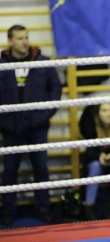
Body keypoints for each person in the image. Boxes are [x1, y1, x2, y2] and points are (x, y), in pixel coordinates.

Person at [0, 24, 62, 225]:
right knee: (10, 170)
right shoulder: (2, 63)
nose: (24, 41)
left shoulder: (42, 62)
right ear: (10, 41)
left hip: (37, 126)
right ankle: (8, 210)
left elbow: (55, 89)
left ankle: (43, 209)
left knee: (41, 168)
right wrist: (5, 121)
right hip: (10, 127)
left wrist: (42, 116)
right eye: (19, 38)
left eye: (26, 37)